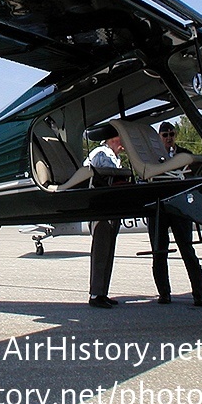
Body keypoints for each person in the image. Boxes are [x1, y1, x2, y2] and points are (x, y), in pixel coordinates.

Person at [150, 123, 202, 306]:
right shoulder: (151, 157)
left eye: (171, 134)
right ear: (159, 137)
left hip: (180, 209)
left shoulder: (185, 154)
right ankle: (164, 293)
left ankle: (198, 293)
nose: (168, 137)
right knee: (159, 252)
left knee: (187, 250)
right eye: (165, 134)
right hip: (158, 208)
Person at [85, 126, 125, 309]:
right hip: (101, 209)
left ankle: (103, 292)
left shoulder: (114, 156)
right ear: (112, 139)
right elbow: (108, 175)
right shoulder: (102, 153)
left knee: (108, 251)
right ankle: (95, 294)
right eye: (120, 139)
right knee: (101, 251)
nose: (123, 143)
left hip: (112, 207)